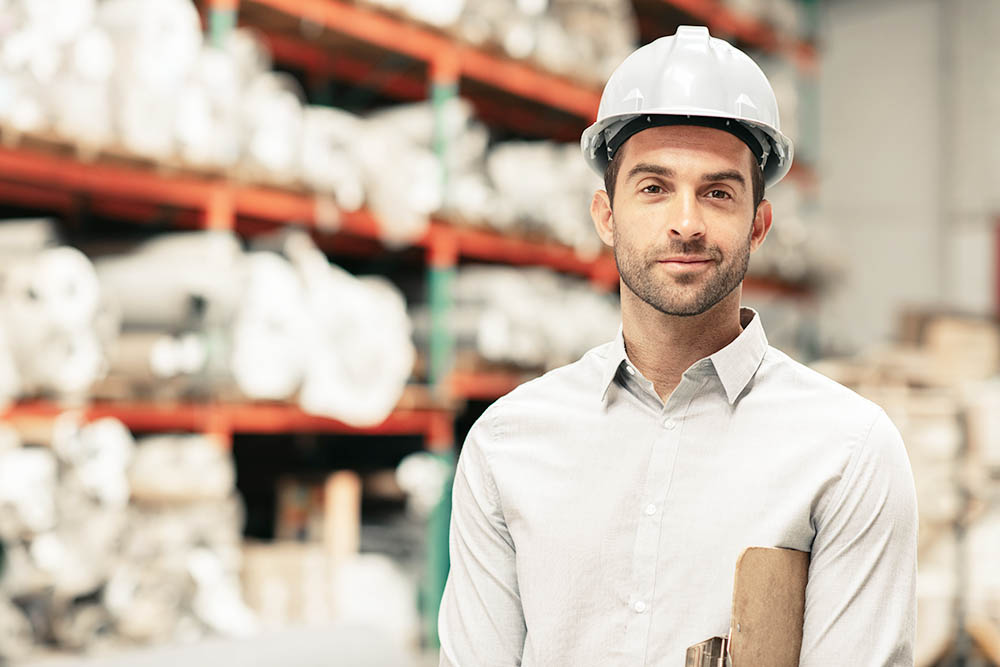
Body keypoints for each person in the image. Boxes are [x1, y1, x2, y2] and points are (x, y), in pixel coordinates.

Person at [438, 25, 917, 666]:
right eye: (654, 187)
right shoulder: (508, 443)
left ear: (759, 224)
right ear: (606, 214)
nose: (686, 223)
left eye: (717, 192)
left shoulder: (848, 452)